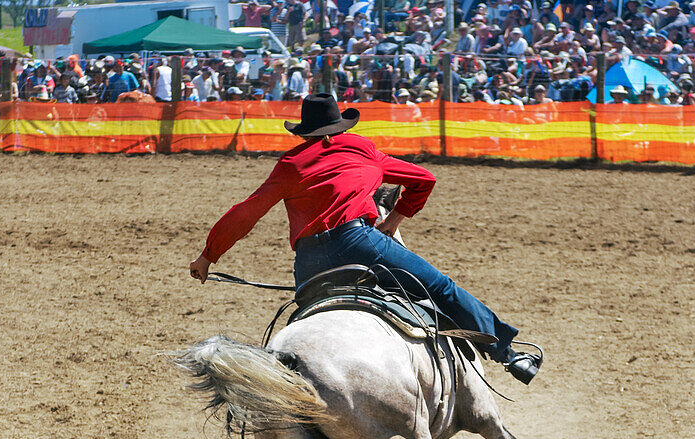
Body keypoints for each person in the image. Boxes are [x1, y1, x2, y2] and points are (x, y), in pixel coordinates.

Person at [188, 94, 542, 383]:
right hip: (360, 244)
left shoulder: (290, 165)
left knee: (305, 318)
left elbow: (246, 212)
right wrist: (396, 219)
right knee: (442, 288)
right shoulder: (360, 148)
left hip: (309, 263)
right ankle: (508, 355)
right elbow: (424, 179)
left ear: (305, 133)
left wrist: (208, 256)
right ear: (337, 128)